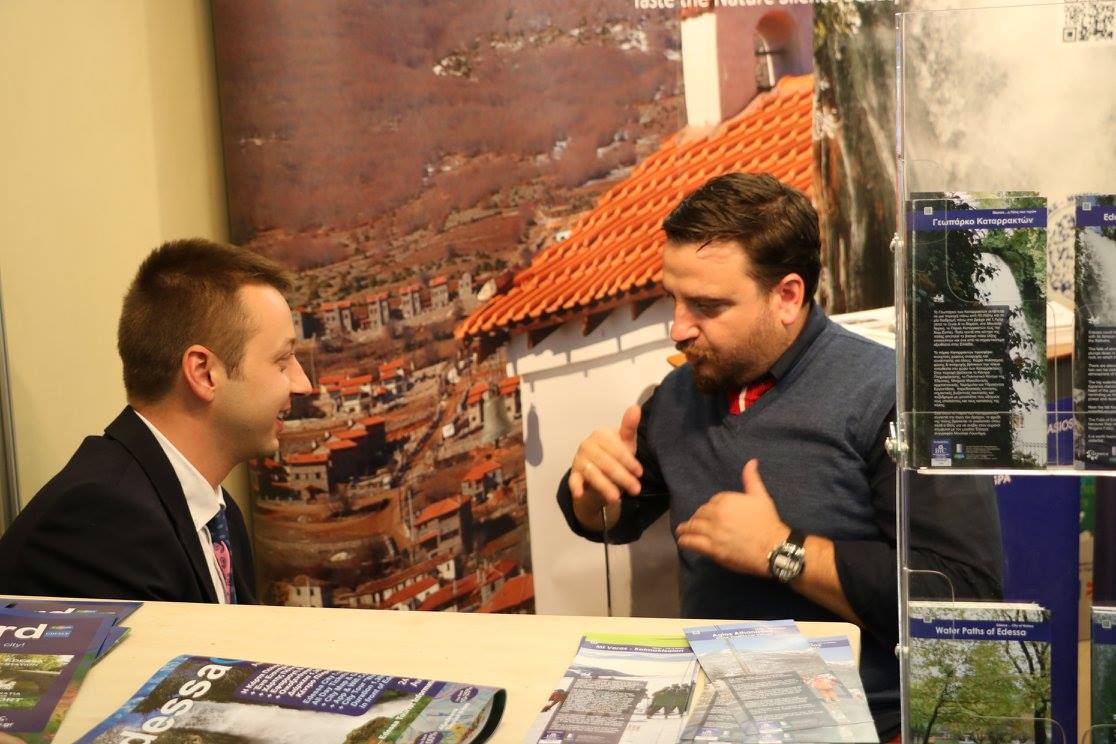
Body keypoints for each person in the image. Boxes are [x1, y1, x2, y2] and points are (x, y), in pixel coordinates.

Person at [556, 173, 1003, 738]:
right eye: (674, 299)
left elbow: (964, 599)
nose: (678, 329)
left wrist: (782, 550)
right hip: (713, 716)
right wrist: (594, 488)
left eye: (707, 306)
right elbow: (613, 516)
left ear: (787, 297)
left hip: (864, 726)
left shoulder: (900, 399)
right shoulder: (680, 394)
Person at [0, 238, 312, 603]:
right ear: (204, 373)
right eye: (282, 361)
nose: (303, 384)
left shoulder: (217, 514)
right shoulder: (104, 520)